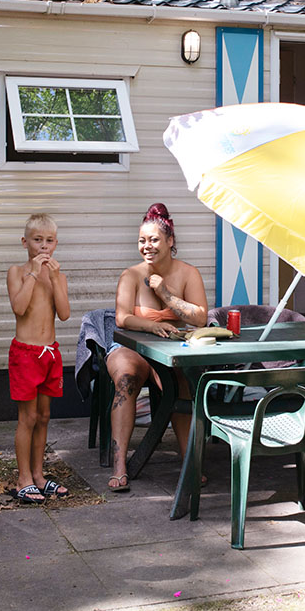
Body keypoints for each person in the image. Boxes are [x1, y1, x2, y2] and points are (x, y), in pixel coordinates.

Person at [105, 203, 209, 492]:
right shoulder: (130, 275)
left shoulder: (188, 274)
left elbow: (200, 317)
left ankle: (190, 461)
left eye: (153, 239)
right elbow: (122, 318)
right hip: (132, 347)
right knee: (126, 379)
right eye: (142, 240)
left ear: (170, 241)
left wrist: (165, 293)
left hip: (172, 350)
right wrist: (150, 326)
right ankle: (120, 465)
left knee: (182, 383)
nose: (146, 246)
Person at [6, 213, 72, 504]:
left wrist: (54, 279)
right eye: (37, 240)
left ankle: (38, 475)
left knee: (44, 416)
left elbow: (65, 314)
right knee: (28, 417)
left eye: (49, 241)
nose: (44, 246)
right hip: (25, 354)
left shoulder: (59, 276)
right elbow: (19, 308)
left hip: (50, 353)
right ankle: (23, 478)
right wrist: (33, 273)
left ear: (56, 243)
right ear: (25, 242)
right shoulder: (17, 272)